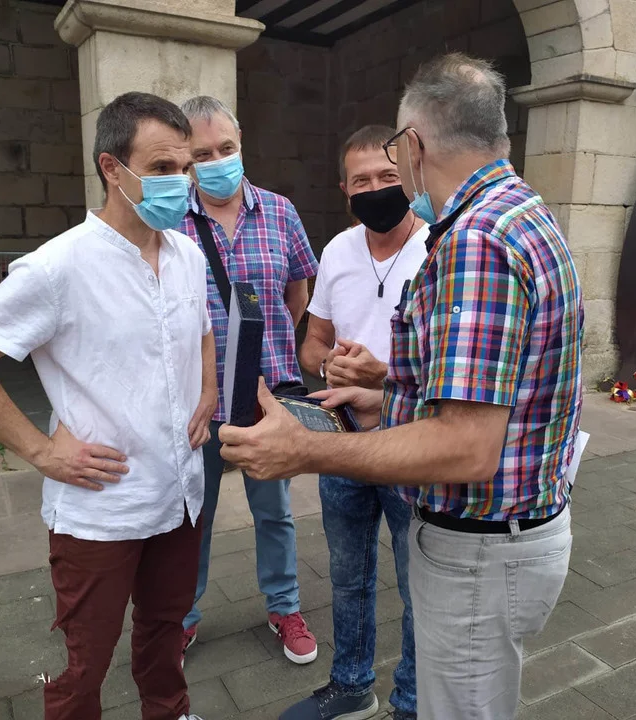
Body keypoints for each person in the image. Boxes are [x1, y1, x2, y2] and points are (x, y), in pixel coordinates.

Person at [217, 52, 584, 720]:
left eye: (392, 156)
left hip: (479, 547)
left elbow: (466, 447)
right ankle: (358, 688)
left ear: (413, 146)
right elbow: (493, 393)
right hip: (510, 532)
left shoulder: (476, 240)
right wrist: (383, 398)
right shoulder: (521, 212)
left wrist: (305, 450)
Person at [0, 92, 215, 720]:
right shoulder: (57, 268)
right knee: (85, 660)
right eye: (162, 168)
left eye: (186, 166)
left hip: (180, 492)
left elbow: (200, 328)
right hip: (102, 507)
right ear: (112, 168)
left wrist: (210, 388)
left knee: (166, 628)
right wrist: (40, 450)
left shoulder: (187, 254)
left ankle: (169, 711)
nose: (181, 182)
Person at [285, 125, 428, 720]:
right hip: (341, 437)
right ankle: (351, 685)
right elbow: (312, 342)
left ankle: (413, 702)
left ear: (410, 177)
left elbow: (456, 368)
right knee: (347, 575)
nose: (375, 189)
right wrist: (329, 365)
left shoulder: (440, 247)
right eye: (360, 180)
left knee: (419, 582)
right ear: (344, 189)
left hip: (411, 440)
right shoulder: (338, 251)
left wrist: (383, 376)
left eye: (387, 177)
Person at [177, 95, 320, 666]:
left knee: (275, 510)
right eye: (202, 154)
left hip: (268, 396)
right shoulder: (171, 221)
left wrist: (270, 348)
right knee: (195, 513)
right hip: (198, 398)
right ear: (186, 160)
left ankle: (284, 607)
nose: (217, 161)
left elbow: (297, 293)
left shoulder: (280, 212)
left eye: (226, 148)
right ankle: (182, 616)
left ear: (242, 145)